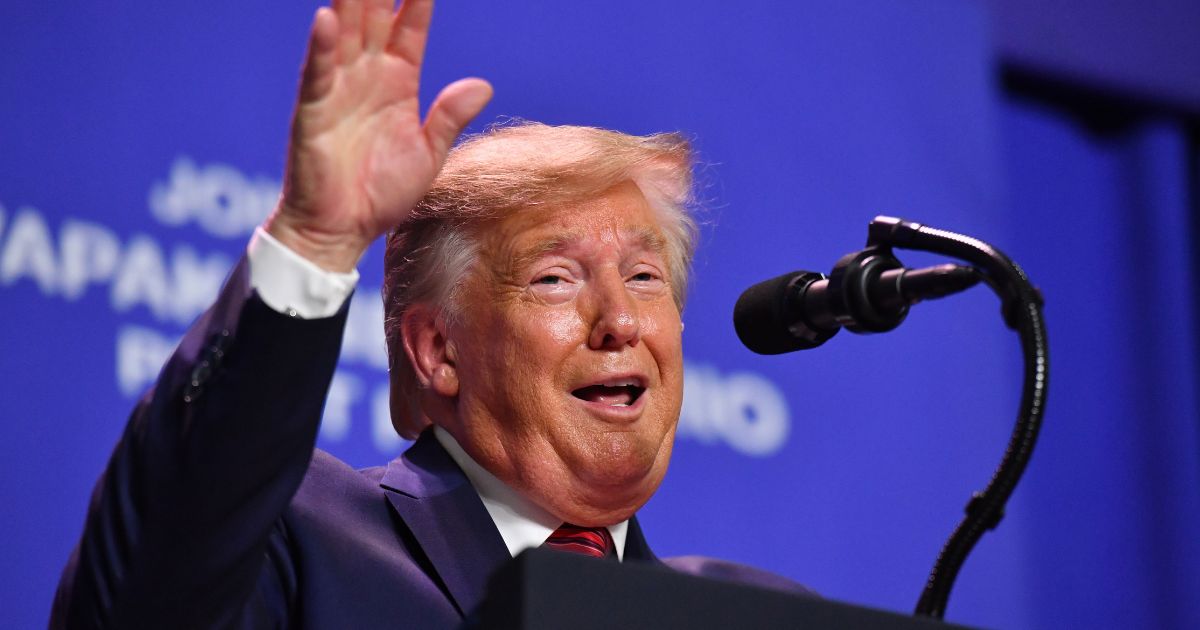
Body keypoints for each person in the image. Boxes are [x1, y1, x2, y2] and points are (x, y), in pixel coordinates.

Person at [51, 1, 810, 627]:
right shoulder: (297, 535)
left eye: (645, 276)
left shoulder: (750, 615)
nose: (620, 321)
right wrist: (314, 241)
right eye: (553, 279)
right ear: (438, 351)